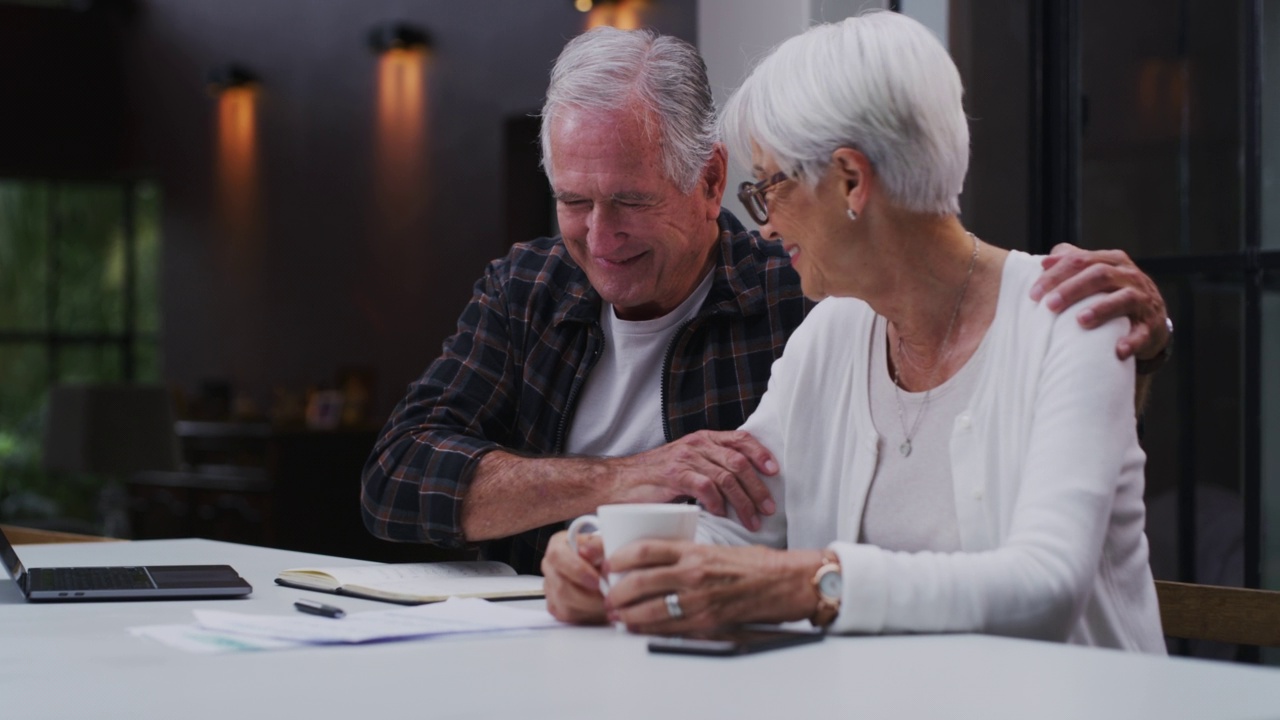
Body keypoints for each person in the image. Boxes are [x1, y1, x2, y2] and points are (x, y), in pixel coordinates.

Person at [362, 25, 1172, 579]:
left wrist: (1132, 342)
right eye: (575, 201)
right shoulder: (526, 289)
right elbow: (395, 480)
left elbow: (949, 286)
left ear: (709, 182)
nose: (598, 237)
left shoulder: (809, 292)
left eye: (632, 202)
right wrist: (605, 509)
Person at [541, 13, 1166, 653]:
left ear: (850, 180)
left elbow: (1044, 587)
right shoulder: (831, 334)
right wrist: (598, 552)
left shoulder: (1073, 316)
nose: (762, 227)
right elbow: (737, 530)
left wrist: (808, 583)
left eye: (769, 188)